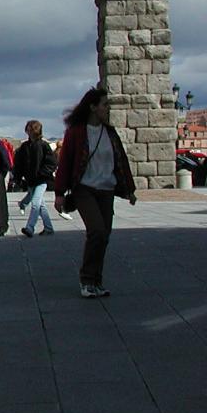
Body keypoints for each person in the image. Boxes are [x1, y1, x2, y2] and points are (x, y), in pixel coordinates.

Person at [53, 86, 137, 299]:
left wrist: (129, 190)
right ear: (93, 107)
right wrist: (59, 193)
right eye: (105, 104)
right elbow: (65, 163)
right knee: (97, 231)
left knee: (104, 236)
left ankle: (96, 281)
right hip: (85, 189)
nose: (108, 109)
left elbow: (121, 161)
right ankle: (87, 280)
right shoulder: (76, 132)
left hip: (106, 189)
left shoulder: (110, 132)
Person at [13, 120, 57, 238]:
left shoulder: (43, 145)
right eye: (29, 129)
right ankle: (48, 228)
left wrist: (42, 173)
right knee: (41, 205)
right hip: (30, 180)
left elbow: (52, 163)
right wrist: (17, 178)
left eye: (33, 129)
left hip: (41, 180)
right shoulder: (24, 147)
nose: (30, 131)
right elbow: (19, 164)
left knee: (35, 203)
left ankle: (30, 228)